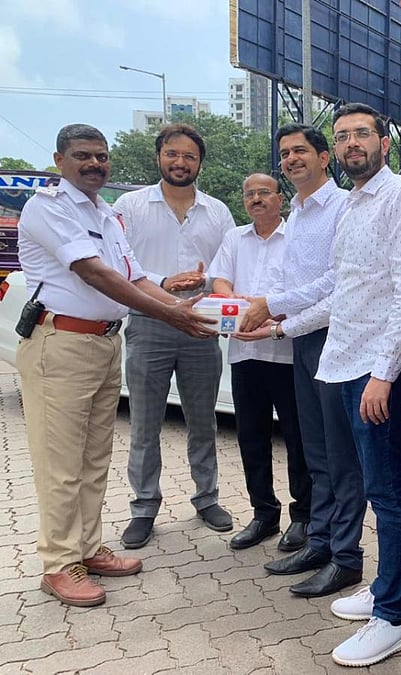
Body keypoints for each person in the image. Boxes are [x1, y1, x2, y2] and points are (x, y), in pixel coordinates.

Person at [16, 124, 216, 607]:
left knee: (92, 458)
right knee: (61, 463)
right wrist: (168, 314)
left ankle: (87, 548)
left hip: (104, 343)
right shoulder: (49, 207)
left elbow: (134, 276)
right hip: (60, 343)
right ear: (60, 160)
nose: (94, 164)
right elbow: (94, 273)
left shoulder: (104, 213)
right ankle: (59, 563)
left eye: (101, 157)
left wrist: (175, 304)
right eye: (82, 156)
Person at [317, 103, 401, 668]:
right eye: (342, 136)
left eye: (362, 133)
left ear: (385, 143)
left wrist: (385, 373)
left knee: (386, 493)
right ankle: (387, 585)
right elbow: (342, 288)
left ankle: (394, 614)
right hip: (345, 362)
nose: (351, 143)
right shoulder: (350, 204)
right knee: (371, 486)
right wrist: (281, 321)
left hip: (379, 370)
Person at [243, 123, 367, 598]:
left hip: (337, 340)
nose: (291, 159)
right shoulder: (296, 212)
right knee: (315, 451)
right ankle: (320, 542)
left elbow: (337, 285)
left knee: (341, 457)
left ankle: (346, 558)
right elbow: (295, 283)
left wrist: (276, 314)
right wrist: (274, 314)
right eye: (285, 153)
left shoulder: (342, 207)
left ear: (324, 157)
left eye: (300, 151)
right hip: (303, 341)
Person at [114, 123, 239, 549]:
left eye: (189, 156)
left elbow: (226, 267)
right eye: (172, 154)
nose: (180, 162)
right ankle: (144, 507)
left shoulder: (217, 211)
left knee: (202, 421)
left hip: (200, 326)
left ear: (200, 162)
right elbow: (120, 266)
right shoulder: (131, 206)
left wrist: (212, 286)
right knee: (145, 423)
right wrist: (164, 283)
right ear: (159, 157)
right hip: (150, 321)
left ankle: (207, 498)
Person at [207, 174, 306, 551]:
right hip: (245, 353)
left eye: (265, 192)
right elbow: (219, 281)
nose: (256, 199)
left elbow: (302, 289)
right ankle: (263, 513)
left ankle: (304, 516)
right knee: (251, 437)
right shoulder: (234, 238)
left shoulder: (296, 236)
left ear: (280, 198)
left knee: (298, 439)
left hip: (287, 352)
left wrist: (268, 310)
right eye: (250, 194)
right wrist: (236, 304)